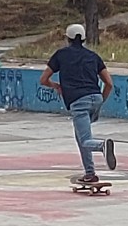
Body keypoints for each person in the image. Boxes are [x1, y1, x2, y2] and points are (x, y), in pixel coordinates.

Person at [39, 24, 116, 183]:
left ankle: (102, 146)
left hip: (78, 101)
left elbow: (43, 79)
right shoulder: (93, 56)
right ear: (84, 39)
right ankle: (90, 173)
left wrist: (56, 86)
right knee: (80, 136)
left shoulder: (61, 55)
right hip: (96, 98)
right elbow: (109, 83)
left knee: (85, 139)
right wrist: (100, 100)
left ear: (68, 39)